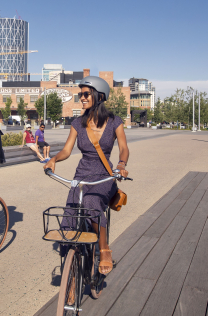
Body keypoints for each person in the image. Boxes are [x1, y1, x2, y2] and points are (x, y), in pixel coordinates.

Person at [44, 76, 129, 275]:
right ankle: (71, 277)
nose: (81, 98)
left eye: (85, 94)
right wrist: (54, 160)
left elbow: (124, 147)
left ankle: (104, 249)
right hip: (82, 174)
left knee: (91, 203)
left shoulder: (114, 121)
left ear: (99, 96)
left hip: (105, 175)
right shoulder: (77, 123)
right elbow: (67, 150)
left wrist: (122, 165)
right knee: (70, 218)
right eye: (80, 94)